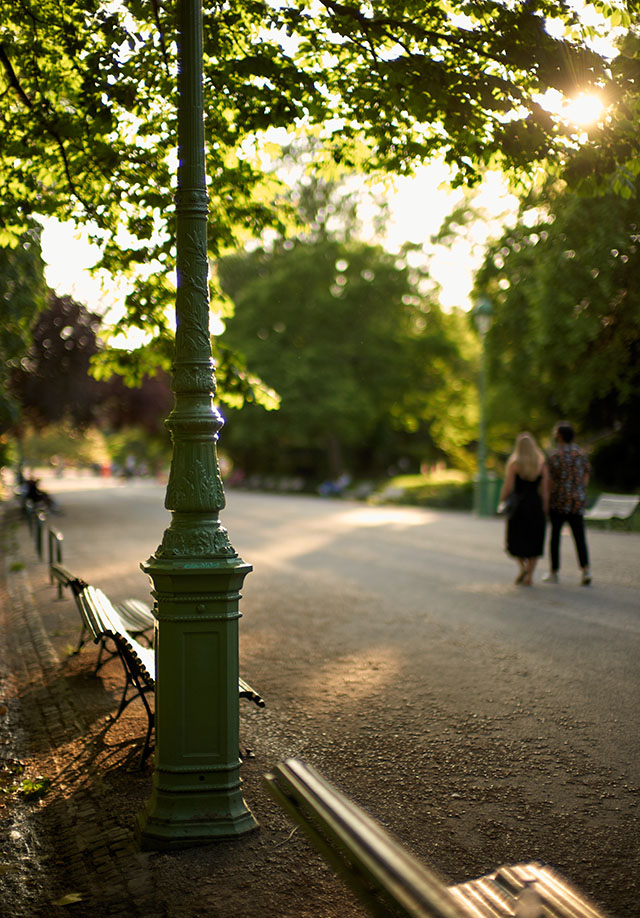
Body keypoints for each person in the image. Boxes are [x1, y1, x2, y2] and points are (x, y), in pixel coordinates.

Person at [544, 421, 591, 585]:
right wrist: (580, 490)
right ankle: (585, 570)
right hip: (577, 501)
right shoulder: (580, 454)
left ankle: (554, 572)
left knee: (555, 537)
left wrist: (546, 500)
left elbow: (549, 480)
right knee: (579, 537)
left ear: (560, 436)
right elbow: (586, 474)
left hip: (559, 501)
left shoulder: (555, 455)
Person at [499, 432, 549, 586]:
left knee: (517, 539)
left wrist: (502, 500)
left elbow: (508, 486)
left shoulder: (514, 464)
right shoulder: (541, 464)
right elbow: (545, 489)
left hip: (519, 507)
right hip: (535, 505)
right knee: (535, 540)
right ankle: (530, 574)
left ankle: (523, 568)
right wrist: (545, 507)